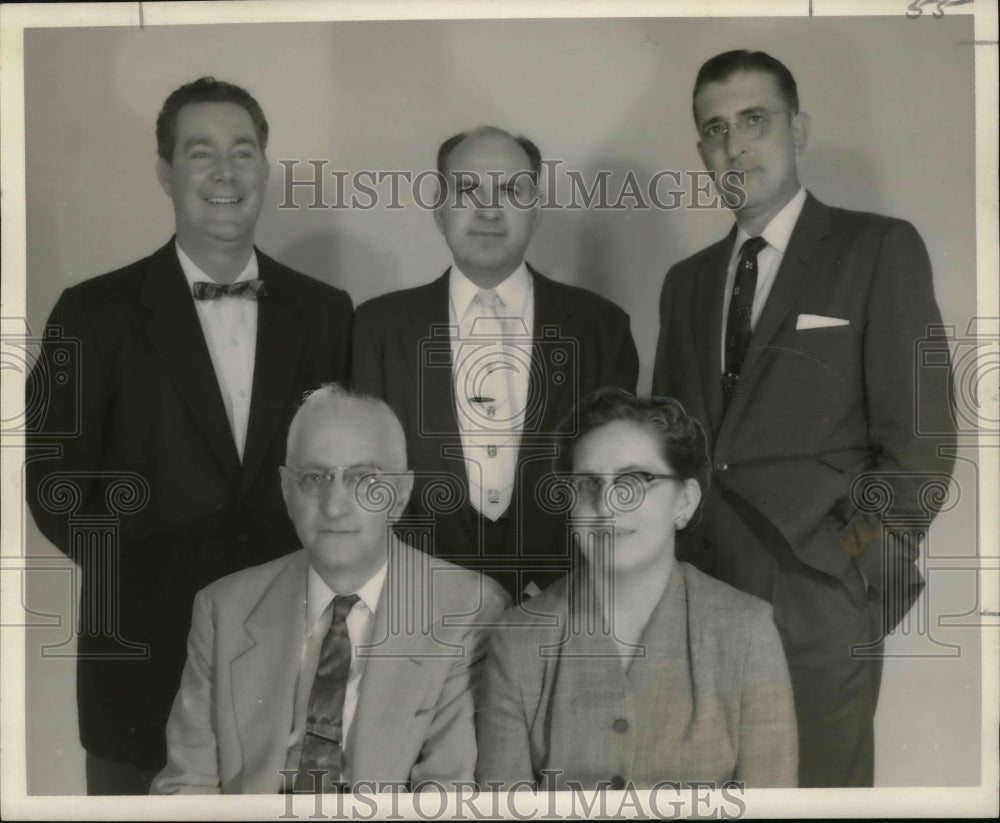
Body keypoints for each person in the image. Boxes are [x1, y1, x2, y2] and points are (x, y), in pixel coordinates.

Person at [23, 77, 354, 794]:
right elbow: (54, 487)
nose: (226, 171)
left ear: (265, 168)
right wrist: (171, 566)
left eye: (244, 151)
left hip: (291, 662)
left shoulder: (327, 312)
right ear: (166, 173)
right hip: (143, 664)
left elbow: (344, 478)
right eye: (200, 153)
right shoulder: (92, 311)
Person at [651, 50, 956, 786]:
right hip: (701, 604)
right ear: (702, 150)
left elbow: (921, 447)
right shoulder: (685, 283)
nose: (735, 144)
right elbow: (673, 449)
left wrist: (854, 580)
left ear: (800, 129)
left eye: (754, 120)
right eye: (715, 128)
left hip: (821, 603)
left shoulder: (878, 247)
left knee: (820, 796)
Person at [151, 384, 509, 794]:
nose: (335, 505)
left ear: (402, 493)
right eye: (314, 478)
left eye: (363, 478)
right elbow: (185, 789)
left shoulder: (470, 609)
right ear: (287, 490)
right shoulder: (222, 608)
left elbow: (448, 797)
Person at [352, 126, 639, 600]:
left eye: (511, 190)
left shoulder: (601, 328)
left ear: (536, 209)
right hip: (417, 606)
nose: (488, 209)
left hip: (566, 605)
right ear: (438, 210)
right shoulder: (377, 328)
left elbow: (613, 484)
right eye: (467, 190)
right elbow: (368, 482)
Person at [474, 388, 797, 790]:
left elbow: (772, 807)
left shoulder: (747, 631)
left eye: (634, 481)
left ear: (685, 501)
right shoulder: (517, 640)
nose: (607, 506)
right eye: (589, 484)